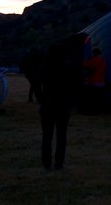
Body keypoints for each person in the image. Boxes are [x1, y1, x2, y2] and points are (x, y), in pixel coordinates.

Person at [39, 43, 79, 171]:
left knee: (47, 136)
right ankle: (59, 164)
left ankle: (46, 165)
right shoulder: (67, 67)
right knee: (61, 136)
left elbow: (39, 84)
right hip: (62, 106)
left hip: (47, 105)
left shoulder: (45, 68)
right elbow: (73, 87)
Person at [82, 47, 107, 114]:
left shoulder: (94, 60)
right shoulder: (103, 60)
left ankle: (90, 111)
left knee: (90, 97)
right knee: (98, 98)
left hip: (94, 82)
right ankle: (98, 110)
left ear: (94, 53)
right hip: (101, 82)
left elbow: (84, 64)